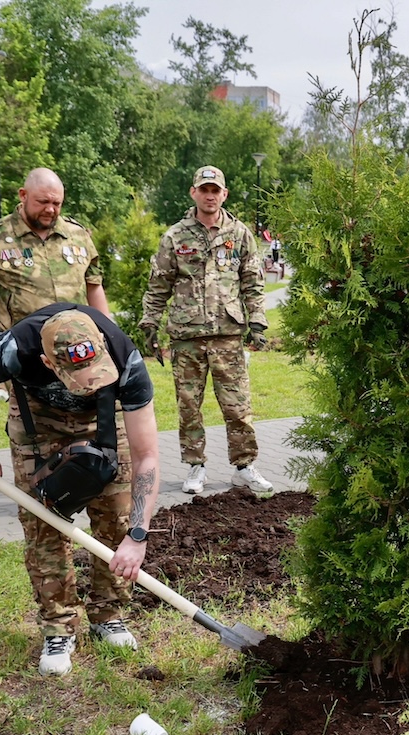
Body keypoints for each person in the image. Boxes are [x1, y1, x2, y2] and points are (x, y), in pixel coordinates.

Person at [0, 303, 159, 676]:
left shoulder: (125, 357)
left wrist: (138, 536)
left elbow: (147, 457)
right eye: (80, 378)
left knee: (117, 517)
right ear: (48, 363)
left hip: (104, 423)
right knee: (43, 524)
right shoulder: (13, 348)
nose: (89, 385)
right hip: (38, 426)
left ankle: (107, 614)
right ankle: (58, 626)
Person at [141, 165, 273, 495]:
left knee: (238, 405)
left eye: (216, 190)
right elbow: (159, 285)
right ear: (194, 193)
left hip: (228, 333)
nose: (210, 195)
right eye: (205, 189)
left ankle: (244, 466)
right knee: (189, 405)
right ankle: (195, 466)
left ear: (224, 194)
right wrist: (150, 324)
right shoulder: (175, 236)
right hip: (187, 336)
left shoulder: (240, 234)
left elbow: (253, 283)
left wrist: (257, 322)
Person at [0, 168, 107, 358]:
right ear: (23, 195)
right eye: (43, 202)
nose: (50, 209)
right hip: (21, 350)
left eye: (57, 203)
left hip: (75, 349)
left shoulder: (78, 235)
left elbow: (94, 287)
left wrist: (109, 335)